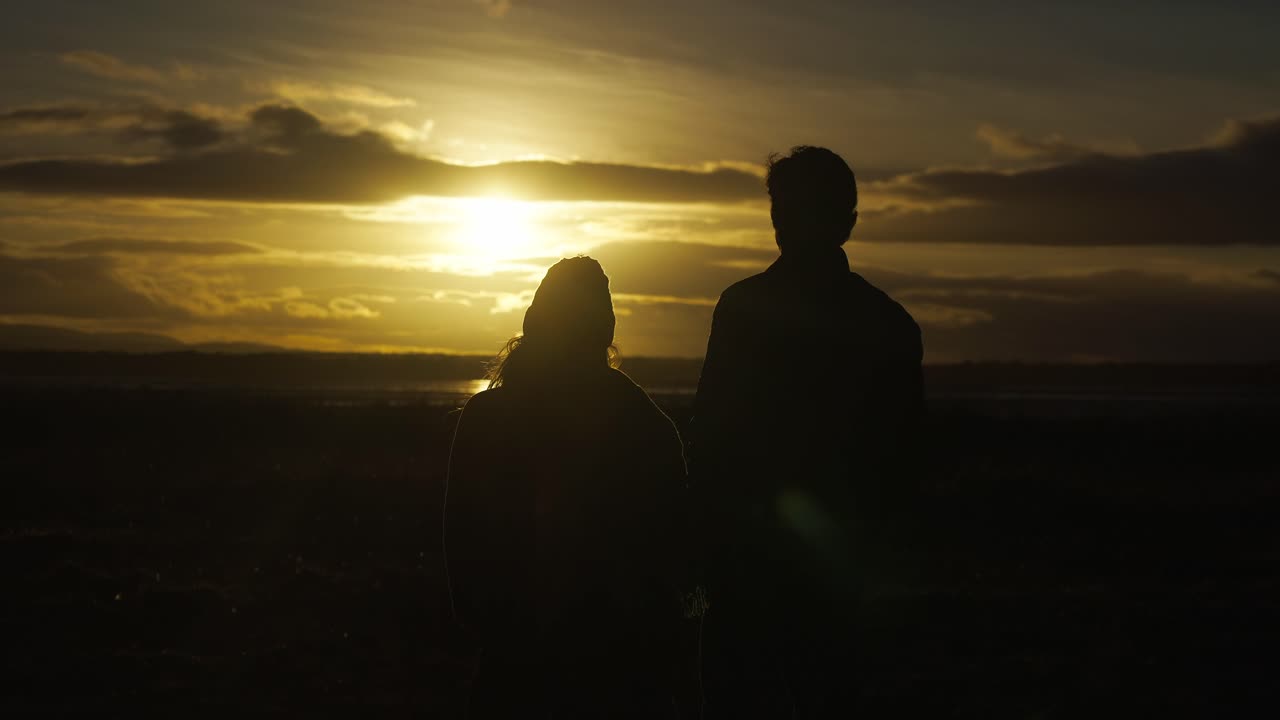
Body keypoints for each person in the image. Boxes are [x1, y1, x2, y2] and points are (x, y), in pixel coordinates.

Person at [690, 146, 924, 718]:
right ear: (850, 221)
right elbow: (903, 462)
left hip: (759, 559)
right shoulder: (888, 322)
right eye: (783, 208)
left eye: (793, 208)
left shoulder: (744, 308)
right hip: (824, 562)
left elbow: (710, 433)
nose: (786, 222)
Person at [443, 257, 691, 719]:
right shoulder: (646, 423)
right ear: (605, 330)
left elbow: (463, 544)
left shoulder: (486, 417)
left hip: (521, 662)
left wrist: (492, 626)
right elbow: (678, 553)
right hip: (617, 668)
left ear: (535, 324)